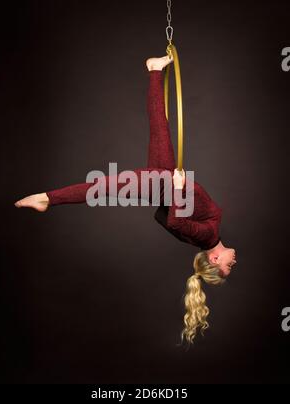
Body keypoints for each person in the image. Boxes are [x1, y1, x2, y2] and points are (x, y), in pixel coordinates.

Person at [14, 55, 237, 344]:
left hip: (164, 182)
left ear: (214, 258)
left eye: (227, 266)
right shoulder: (202, 238)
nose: (233, 263)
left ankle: (47, 199)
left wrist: (177, 189)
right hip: (164, 179)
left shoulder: (208, 236)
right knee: (159, 126)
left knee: (102, 186)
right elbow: (163, 218)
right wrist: (172, 191)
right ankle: (155, 70)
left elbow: (175, 220)